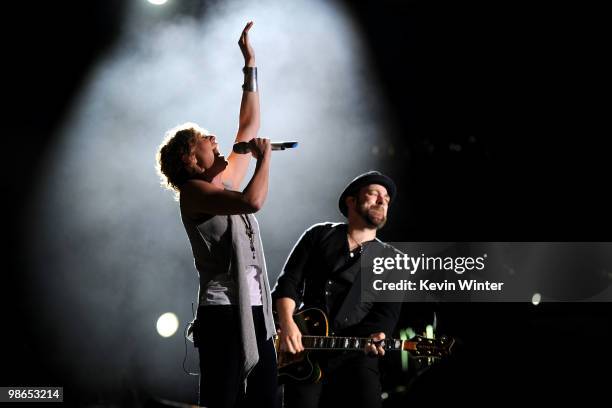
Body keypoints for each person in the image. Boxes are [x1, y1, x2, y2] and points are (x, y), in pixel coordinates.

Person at [155, 22, 279, 408]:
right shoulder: (194, 193)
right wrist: (265, 162)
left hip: (256, 307)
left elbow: (248, 125)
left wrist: (250, 63)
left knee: (266, 399)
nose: (215, 139)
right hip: (223, 312)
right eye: (205, 138)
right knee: (222, 400)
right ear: (190, 159)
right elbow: (252, 202)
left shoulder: (219, 184)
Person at [272, 171, 402, 408]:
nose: (382, 201)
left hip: (356, 357)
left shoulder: (395, 260)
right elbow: (288, 282)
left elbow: (385, 316)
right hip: (302, 352)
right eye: (374, 194)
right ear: (351, 201)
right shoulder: (319, 234)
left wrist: (378, 337)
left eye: (386, 199)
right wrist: (288, 324)